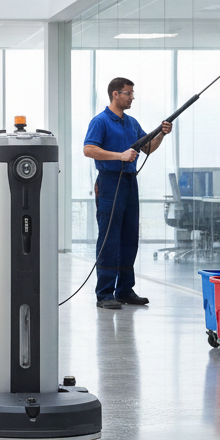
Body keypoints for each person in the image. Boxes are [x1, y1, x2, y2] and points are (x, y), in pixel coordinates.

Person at [83, 78, 173, 310]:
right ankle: (105, 293)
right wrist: (120, 155)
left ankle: (124, 290)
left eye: (132, 93)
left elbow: (147, 148)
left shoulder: (131, 123)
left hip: (130, 182)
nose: (132, 97)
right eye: (128, 93)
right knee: (110, 238)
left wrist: (161, 134)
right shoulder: (100, 121)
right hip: (110, 182)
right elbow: (89, 149)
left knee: (129, 237)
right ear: (115, 94)